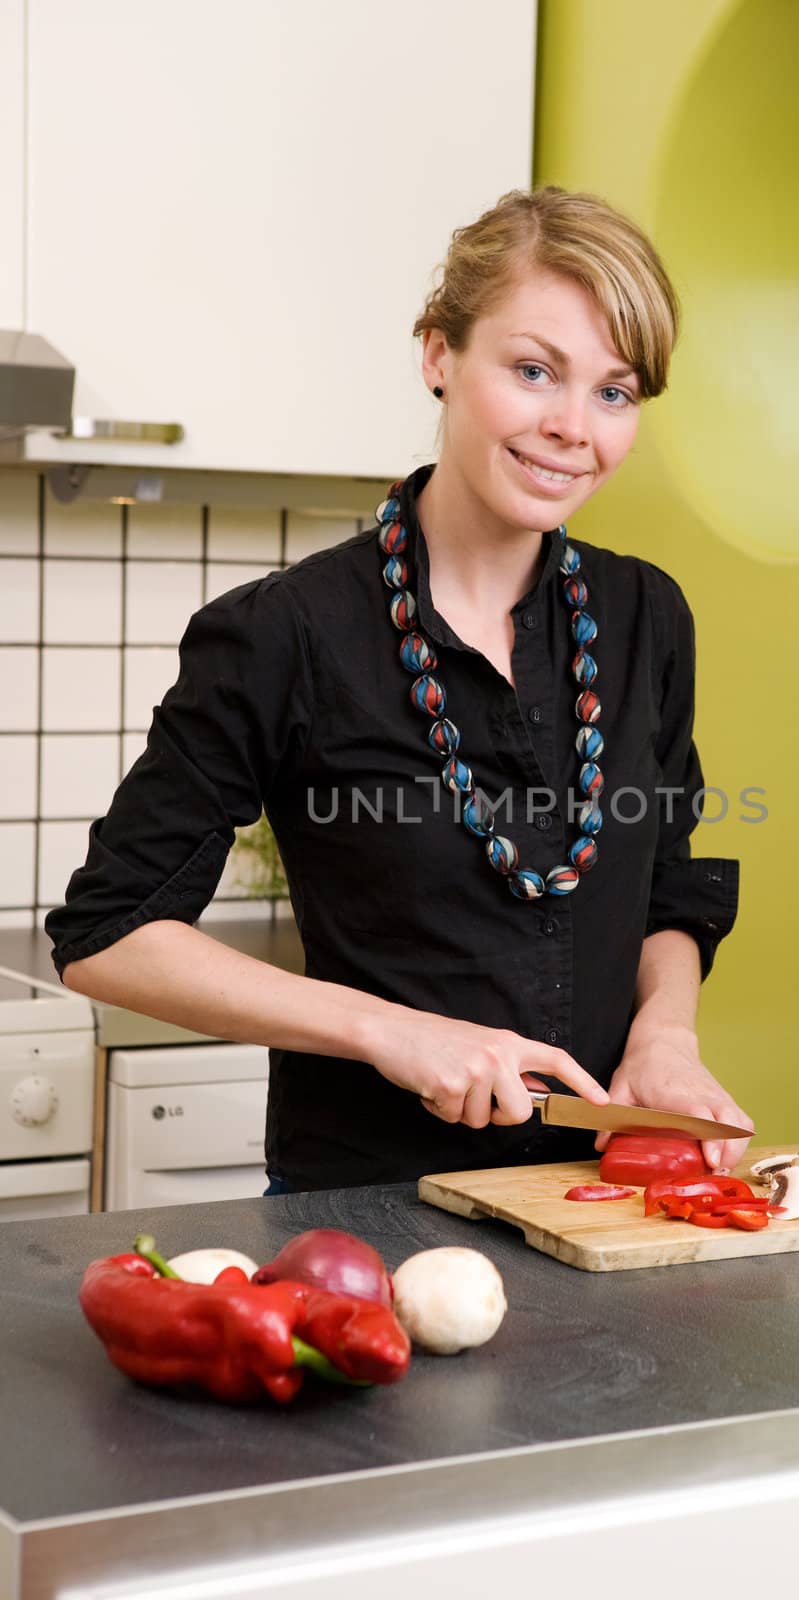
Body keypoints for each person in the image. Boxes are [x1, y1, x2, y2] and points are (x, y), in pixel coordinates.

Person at [46, 186, 750, 1193]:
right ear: (437, 355)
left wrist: (665, 1035)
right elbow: (107, 932)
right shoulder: (283, 632)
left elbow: (668, 880)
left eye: (613, 392)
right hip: (367, 1206)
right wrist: (390, 1031)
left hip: (599, 1195)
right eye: (532, 370)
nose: (570, 427)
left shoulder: (644, 614)